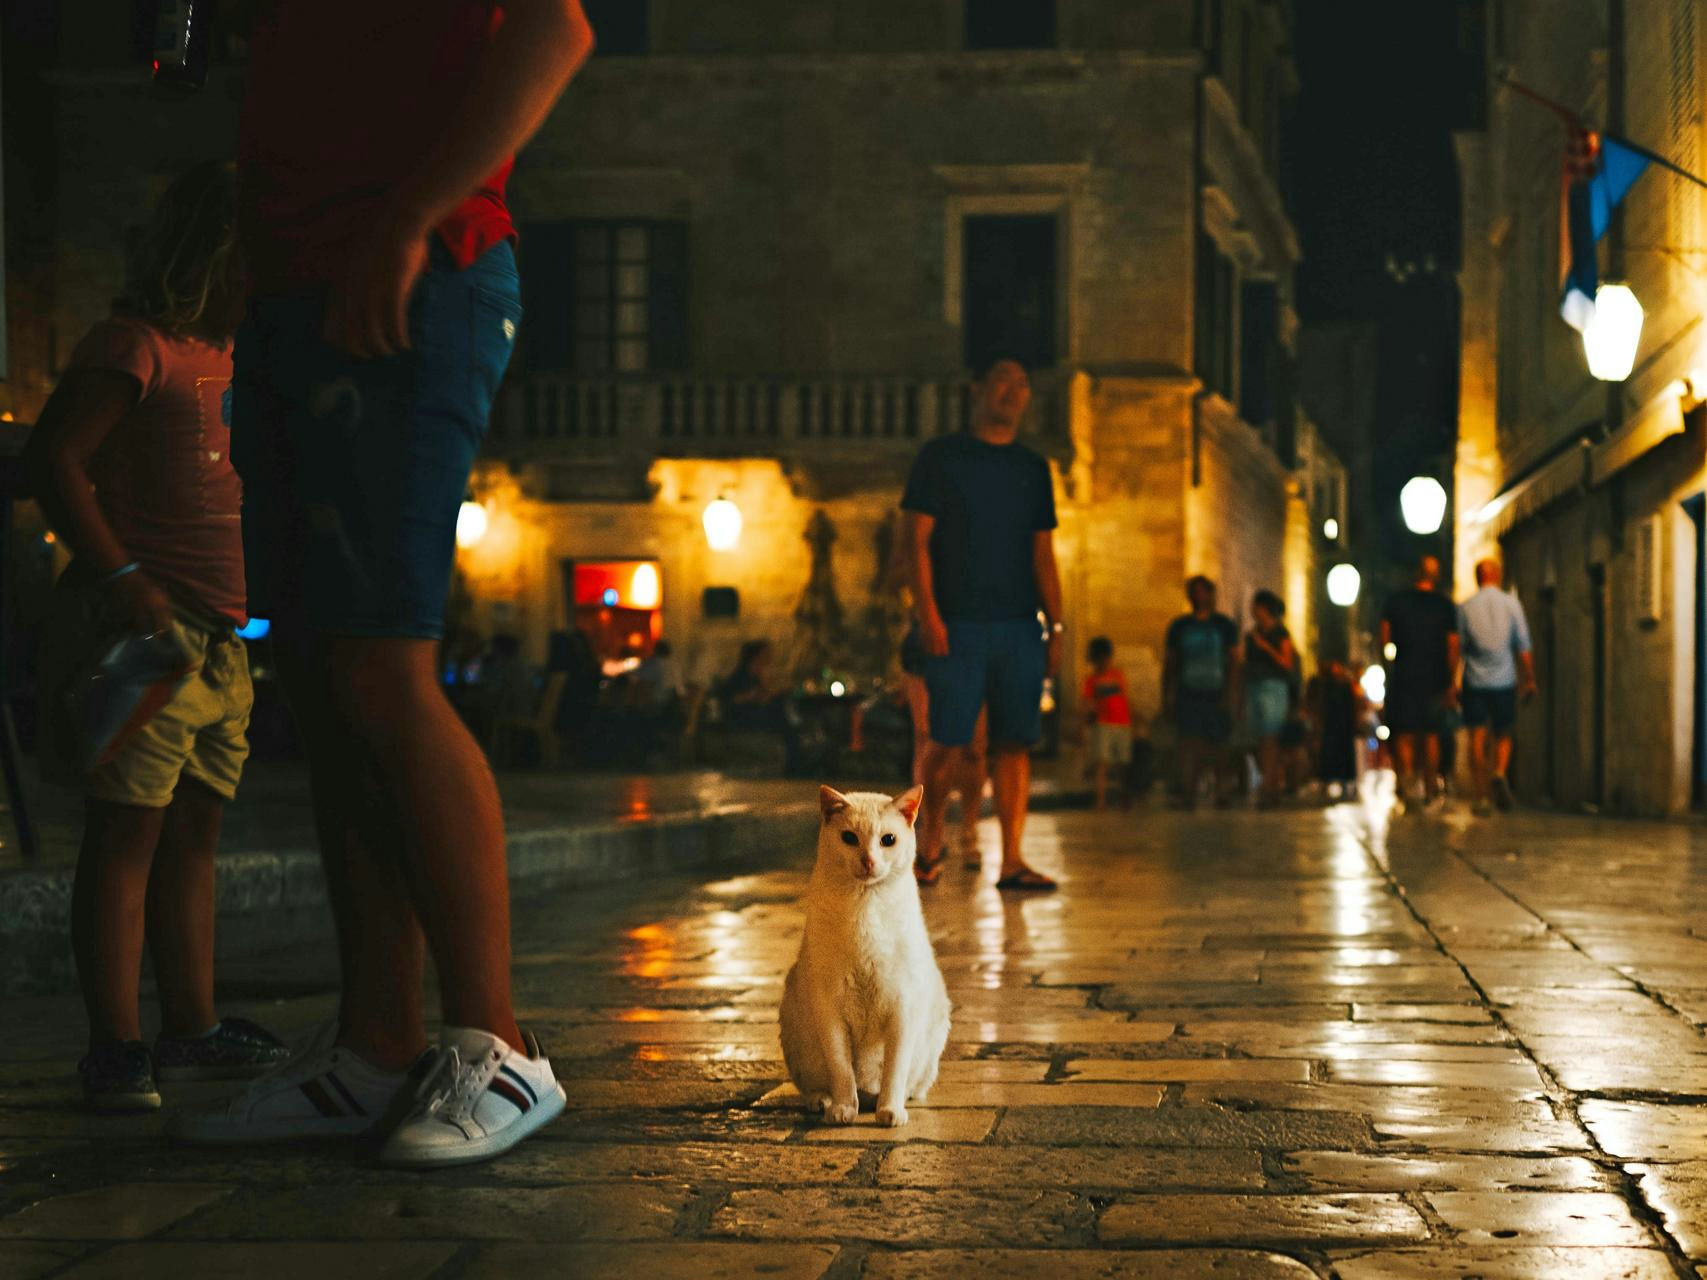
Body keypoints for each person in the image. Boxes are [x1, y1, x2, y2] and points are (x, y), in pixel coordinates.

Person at [174, 1, 596, 1166]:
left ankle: (500, 1043)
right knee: (320, 674)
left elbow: (555, 28)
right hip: (297, 290)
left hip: (411, 274)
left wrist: (413, 215)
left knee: (378, 663)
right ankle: (374, 1044)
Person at [25, 162, 289, 1111]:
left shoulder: (234, 353)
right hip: (149, 631)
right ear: (217, 251)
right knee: (126, 836)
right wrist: (124, 578)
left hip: (219, 645)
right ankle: (116, 1044)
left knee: (193, 837)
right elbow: (56, 458)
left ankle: (191, 1028)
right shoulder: (136, 347)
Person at [903, 358, 1062, 893]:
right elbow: (916, 541)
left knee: (1015, 743)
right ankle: (929, 842)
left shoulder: (1032, 468)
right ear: (978, 389)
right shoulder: (941, 458)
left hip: (1018, 625)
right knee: (946, 740)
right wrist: (928, 614)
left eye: (1022, 383)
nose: (1013, 392)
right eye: (1003, 381)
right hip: (957, 623)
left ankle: (1012, 859)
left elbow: (1043, 554)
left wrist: (1057, 627)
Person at [1458, 558, 1537, 817]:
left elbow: (1458, 648)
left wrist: (1452, 681)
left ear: (1478, 577)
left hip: (1475, 680)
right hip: (1505, 679)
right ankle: (1500, 772)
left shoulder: (1466, 607)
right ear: (1498, 575)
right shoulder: (1511, 604)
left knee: (1477, 736)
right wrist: (1529, 678)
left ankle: (1482, 796)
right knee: (1504, 732)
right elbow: (1523, 645)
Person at [1380, 555, 1460, 812]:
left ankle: (1408, 785)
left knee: (1404, 733)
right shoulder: (1444, 606)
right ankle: (1430, 787)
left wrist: (1389, 665)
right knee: (1431, 734)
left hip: (1404, 675)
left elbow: (1384, 639)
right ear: (1436, 576)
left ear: (1416, 573)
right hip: (1435, 678)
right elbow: (1453, 646)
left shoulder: (1396, 602)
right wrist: (1451, 681)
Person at [1163, 576, 1240, 810]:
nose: (1199, 596)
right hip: (1189, 691)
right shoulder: (1180, 626)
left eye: (1203, 591)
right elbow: (1171, 662)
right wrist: (1167, 694)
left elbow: (1233, 660)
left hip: (1216, 691)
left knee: (1219, 745)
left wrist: (1232, 692)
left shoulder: (1223, 625)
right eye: (1195, 592)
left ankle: (1221, 790)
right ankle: (1189, 792)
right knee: (1189, 744)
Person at [1242, 590, 1298, 809]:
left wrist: (1265, 648)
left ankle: (1270, 786)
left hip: (1274, 687)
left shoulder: (1280, 632)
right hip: (1254, 686)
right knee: (1259, 738)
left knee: (1270, 738)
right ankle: (1270, 782)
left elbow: (1286, 663)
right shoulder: (1252, 633)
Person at [1081, 636, 1134, 812]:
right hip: (1102, 724)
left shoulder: (1118, 676)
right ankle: (1101, 800)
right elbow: (1088, 703)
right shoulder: (1091, 680)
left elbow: (1126, 699)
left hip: (1122, 723)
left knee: (1122, 763)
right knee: (1102, 763)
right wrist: (1085, 723)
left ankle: (1123, 798)